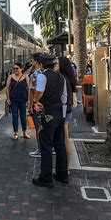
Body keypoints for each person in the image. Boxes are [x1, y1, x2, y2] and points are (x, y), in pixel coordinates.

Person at [32, 54, 68, 188]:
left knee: (46, 145)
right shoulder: (61, 77)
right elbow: (64, 97)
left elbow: (40, 91)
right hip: (59, 112)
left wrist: (35, 101)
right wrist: (62, 115)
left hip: (47, 113)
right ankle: (62, 175)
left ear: (41, 65)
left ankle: (46, 178)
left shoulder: (42, 76)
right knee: (60, 144)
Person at [56, 56, 77, 167]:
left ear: (62, 65)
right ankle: (65, 166)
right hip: (67, 110)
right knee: (65, 138)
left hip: (64, 111)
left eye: (57, 63)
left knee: (64, 139)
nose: (55, 65)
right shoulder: (68, 78)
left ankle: (65, 167)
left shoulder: (63, 79)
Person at [5, 62, 31, 140]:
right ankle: (15, 133)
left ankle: (24, 132)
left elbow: (29, 89)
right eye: (14, 68)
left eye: (17, 68)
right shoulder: (10, 77)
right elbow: (7, 88)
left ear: (21, 69)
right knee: (15, 116)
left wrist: (29, 100)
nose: (15, 70)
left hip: (23, 100)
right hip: (14, 100)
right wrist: (8, 98)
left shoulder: (26, 76)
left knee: (23, 116)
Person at [28, 53, 43, 157]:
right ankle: (48, 148)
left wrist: (31, 105)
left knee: (38, 128)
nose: (31, 62)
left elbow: (33, 92)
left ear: (36, 62)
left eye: (32, 61)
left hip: (37, 106)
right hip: (47, 105)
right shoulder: (46, 73)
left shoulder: (34, 74)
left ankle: (40, 149)